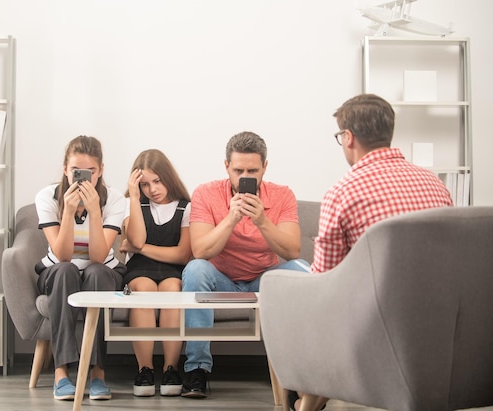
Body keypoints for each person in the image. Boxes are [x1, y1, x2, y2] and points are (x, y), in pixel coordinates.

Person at [290, 94, 453, 411]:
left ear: (348, 137)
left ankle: (308, 401)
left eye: (340, 137)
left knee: (306, 289)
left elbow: (325, 279)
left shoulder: (344, 191)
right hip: (437, 317)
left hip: (376, 322)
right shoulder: (435, 184)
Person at [180, 131, 303, 398]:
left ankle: (297, 375)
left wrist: (262, 221)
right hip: (221, 279)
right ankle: (196, 369)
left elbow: (292, 251)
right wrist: (231, 218)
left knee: (301, 270)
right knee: (195, 269)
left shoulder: (282, 196)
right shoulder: (206, 193)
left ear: (265, 168)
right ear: (226, 166)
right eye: (238, 170)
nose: (245, 177)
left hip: (263, 280)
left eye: (252, 170)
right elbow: (200, 250)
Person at [34, 135, 126, 401]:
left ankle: (97, 373)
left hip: (102, 270)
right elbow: (62, 255)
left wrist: (95, 211)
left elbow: (98, 257)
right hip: (59, 270)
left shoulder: (115, 199)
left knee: (95, 272)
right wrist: (68, 212)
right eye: (76, 171)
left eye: (90, 172)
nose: (82, 178)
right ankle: (61, 373)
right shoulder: (47, 196)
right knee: (66, 271)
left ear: (100, 171)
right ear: (65, 169)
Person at [120, 149, 192, 397]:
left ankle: (171, 367)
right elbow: (137, 239)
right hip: (139, 271)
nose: (152, 189)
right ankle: (145, 369)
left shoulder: (186, 207)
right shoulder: (134, 204)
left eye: (157, 181)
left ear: (168, 176)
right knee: (145, 290)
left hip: (173, 270)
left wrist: (140, 247)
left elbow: (182, 255)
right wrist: (132, 195)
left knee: (173, 290)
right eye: (144, 184)